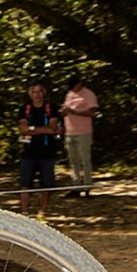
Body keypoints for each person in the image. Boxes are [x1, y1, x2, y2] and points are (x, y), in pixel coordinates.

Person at [17, 81, 62, 216]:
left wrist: (33, 129)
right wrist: (43, 129)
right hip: (28, 152)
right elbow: (23, 129)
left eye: (40, 92)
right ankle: (24, 213)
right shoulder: (25, 109)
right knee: (25, 185)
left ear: (44, 93)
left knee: (46, 185)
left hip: (47, 152)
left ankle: (41, 214)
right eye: (34, 92)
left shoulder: (51, 108)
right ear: (30, 94)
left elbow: (53, 129)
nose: (37, 95)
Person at [60, 74, 99, 197]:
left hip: (84, 132)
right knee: (73, 161)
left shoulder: (88, 94)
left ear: (79, 84)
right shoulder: (69, 94)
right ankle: (76, 186)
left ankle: (87, 186)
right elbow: (65, 108)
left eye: (73, 86)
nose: (71, 88)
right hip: (70, 132)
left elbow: (92, 112)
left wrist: (74, 112)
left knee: (85, 160)